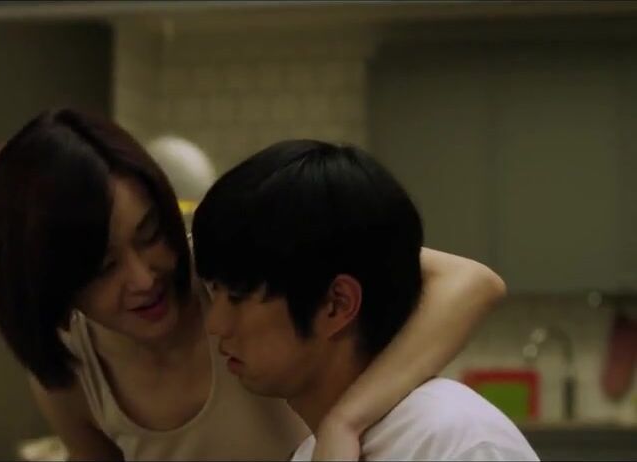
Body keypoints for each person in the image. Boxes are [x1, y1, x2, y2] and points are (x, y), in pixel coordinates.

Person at [0, 108, 506, 461]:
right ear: (53, 283)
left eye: (150, 233)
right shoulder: (69, 368)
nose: (143, 277)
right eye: (102, 268)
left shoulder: (228, 263)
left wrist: (345, 422)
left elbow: (469, 281)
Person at [192, 139, 538, 461]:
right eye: (212, 291)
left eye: (237, 297)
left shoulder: (452, 440)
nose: (215, 324)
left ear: (337, 305)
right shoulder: (315, 452)